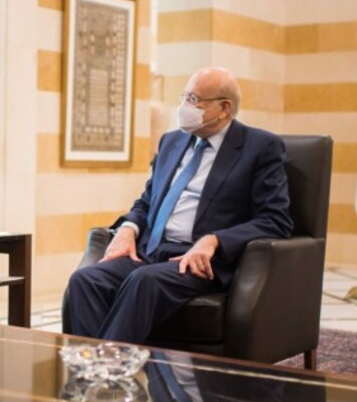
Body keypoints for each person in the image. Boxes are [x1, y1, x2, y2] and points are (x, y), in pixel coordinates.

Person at [66, 66, 293, 344]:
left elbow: (275, 219)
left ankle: (109, 376)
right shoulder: (172, 141)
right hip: (149, 251)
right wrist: (128, 228)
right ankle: (92, 375)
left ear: (224, 108)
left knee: (143, 282)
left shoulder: (260, 147)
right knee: (85, 281)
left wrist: (215, 240)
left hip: (195, 261)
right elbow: (148, 200)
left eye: (194, 100)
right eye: (184, 97)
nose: (184, 107)